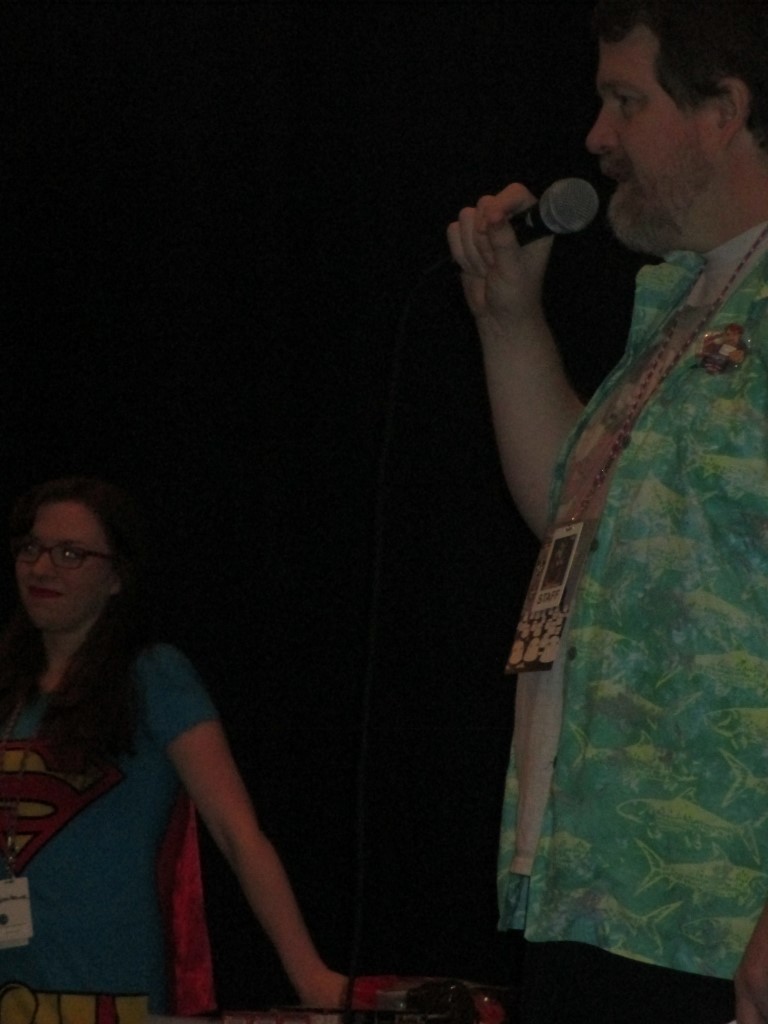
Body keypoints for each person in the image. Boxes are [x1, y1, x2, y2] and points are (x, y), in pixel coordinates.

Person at [447, 2, 768, 1023]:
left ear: (722, 111)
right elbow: (574, 520)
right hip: (595, 887)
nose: (596, 136)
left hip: (721, 917)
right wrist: (507, 320)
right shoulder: (685, 301)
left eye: (625, 101)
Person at [0, 476, 345, 1023]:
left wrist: (309, 974)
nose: (42, 568)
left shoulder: (155, 677)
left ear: (116, 576)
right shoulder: (9, 689)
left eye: (70, 553)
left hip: (107, 993)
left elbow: (237, 832)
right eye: (31, 548)